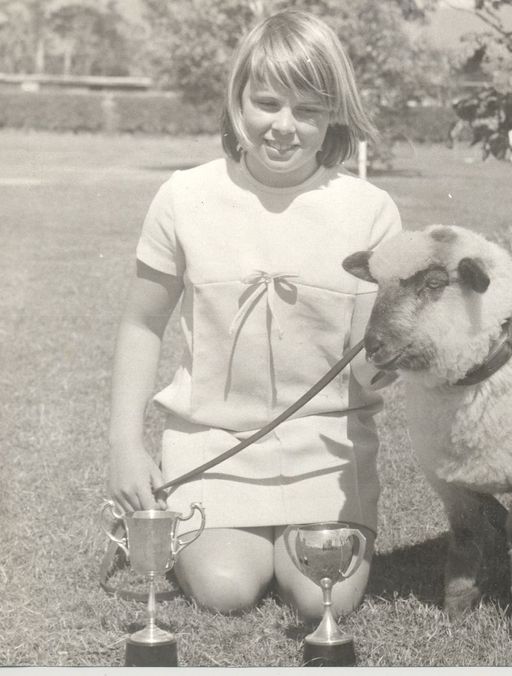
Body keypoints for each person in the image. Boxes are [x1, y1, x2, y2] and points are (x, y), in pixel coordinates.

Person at [107, 9, 401, 619]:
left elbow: (369, 364)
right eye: (266, 102)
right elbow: (142, 324)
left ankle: (301, 533)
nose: (284, 126)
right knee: (226, 589)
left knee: (322, 596)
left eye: (308, 110)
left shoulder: (371, 211)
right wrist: (125, 444)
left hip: (327, 444)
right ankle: (227, 534)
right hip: (211, 440)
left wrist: (399, 354)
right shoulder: (183, 196)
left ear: (334, 114)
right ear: (237, 98)